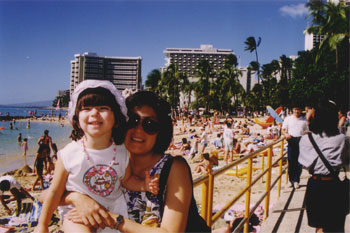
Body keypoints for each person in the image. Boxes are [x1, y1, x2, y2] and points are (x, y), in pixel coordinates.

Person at [62, 91, 208, 232]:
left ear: (160, 131)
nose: (138, 130)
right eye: (133, 121)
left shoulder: (174, 168)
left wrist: (112, 219)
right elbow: (48, 194)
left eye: (149, 124)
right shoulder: (111, 161)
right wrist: (77, 198)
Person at [34, 81, 159, 233]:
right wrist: (43, 224)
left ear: (116, 118)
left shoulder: (122, 151)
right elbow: (54, 192)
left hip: (112, 212)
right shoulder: (68, 154)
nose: (94, 113)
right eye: (86, 108)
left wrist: (144, 185)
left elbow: (126, 180)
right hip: (76, 214)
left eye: (103, 108)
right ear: (77, 120)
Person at [299, 101, 348, 233]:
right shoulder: (341, 139)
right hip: (334, 184)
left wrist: (309, 119)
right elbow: (344, 160)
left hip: (315, 184)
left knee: (319, 226)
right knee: (337, 225)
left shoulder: (306, 139)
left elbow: (304, 164)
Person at [282, 105, 308, 189]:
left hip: (301, 140)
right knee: (291, 161)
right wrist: (286, 134)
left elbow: (307, 131)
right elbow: (283, 129)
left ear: (301, 110)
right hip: (291, 140)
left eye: (298, 109)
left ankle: (297, 180)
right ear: (293, 109)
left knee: (299, 163)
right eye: (295, 109)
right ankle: (291, 180)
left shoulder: (304, 120)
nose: (297, 111)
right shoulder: (288, 119)